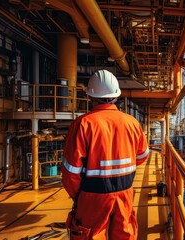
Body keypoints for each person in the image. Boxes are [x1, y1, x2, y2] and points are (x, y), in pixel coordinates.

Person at [61, 69, 149, 239]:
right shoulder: (132, 123)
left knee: (90, 234)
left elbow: (70, 172)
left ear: (90, 96)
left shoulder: (82, 124)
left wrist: (78, 197)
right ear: (116, 96)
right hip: (125, 192)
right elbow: (142, 155)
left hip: (92, 195)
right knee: (125, 233)